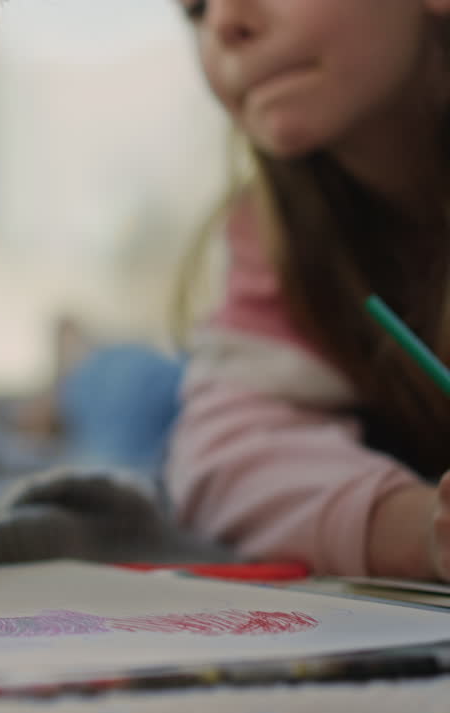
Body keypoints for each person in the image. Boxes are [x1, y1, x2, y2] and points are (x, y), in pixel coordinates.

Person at [167, 0, 450, 580]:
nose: (224, 22)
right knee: (131, 390)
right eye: (193, 6)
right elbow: (227, 454)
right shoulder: (272, 235)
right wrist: (425, 529)